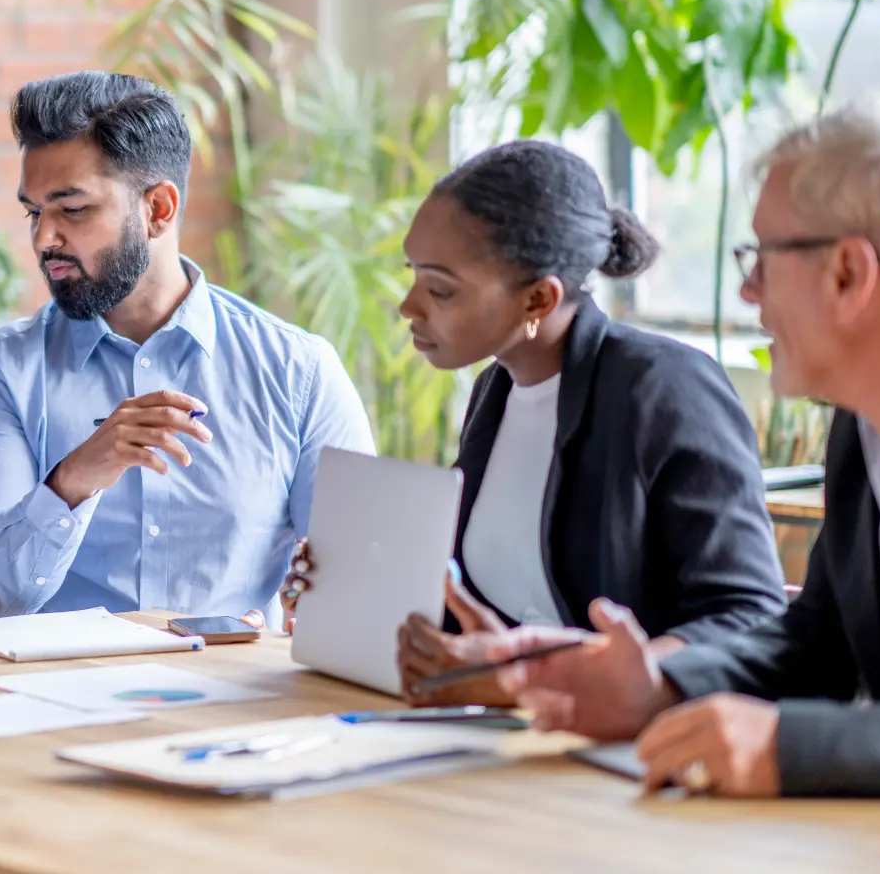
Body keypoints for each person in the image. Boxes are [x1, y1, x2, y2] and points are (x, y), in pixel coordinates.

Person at [494, 99, 880, 799]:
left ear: (847, 273)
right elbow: (820, 641)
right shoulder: (868, 418)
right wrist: (660, 685)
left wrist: (798, 749)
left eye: (762, 260)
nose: (747, 291)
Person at [282, 139, 787, 705]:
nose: (409, 306)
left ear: (538, 301)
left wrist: (532, 675)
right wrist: (352, 598)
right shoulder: (495, 392)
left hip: (635, 755)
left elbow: (749, 619)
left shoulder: (664, 388)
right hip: (520, 737)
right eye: (414, 275)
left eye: (440, 289)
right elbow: (495, 613)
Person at [0, 72, 374, 621]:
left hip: (235, 699)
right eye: (35, 212)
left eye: (72, 210)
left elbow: (362, 590)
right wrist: (73, 481)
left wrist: (302, 617)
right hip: (64, 702)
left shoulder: (298, 371)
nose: (44, 240)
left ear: (158, 209)